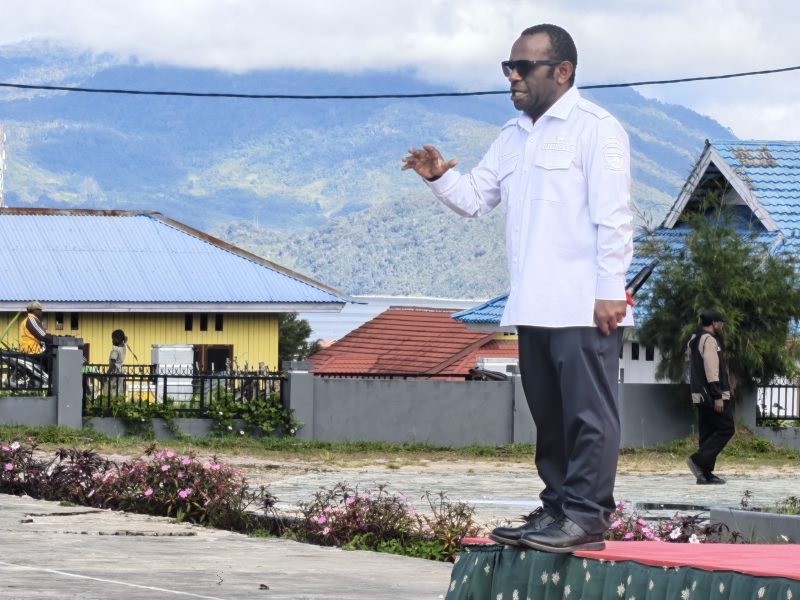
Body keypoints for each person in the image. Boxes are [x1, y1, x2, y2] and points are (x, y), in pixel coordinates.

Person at [402, 23, 633, 553]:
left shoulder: (597, 129)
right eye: (508, 67)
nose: (512, 77)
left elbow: (615, 218)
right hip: (533, 305)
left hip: (583, 306)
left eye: (523, 67)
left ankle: (587, 517)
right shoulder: (512, 136)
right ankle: (556, 509)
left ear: (562, 71)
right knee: (550, 419)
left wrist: (609, 290)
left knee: (588, 418)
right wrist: (438, 177)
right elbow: (475, 199)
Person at [686, 309, 734, 485]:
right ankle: (697, 461)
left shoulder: (694, 339)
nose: (722, 325)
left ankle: (704, 474)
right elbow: (711, 369)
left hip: (699, 394)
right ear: (714, 323)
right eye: (721, 322)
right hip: (710, 395)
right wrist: (718, 396)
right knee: (726, 428)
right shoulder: (709, 340)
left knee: (708, 432)